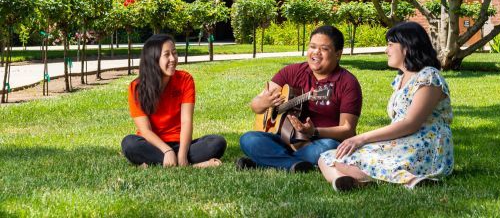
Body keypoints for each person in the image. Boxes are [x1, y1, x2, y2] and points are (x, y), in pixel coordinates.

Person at [319, 21, 454, 191]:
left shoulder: (429, 78)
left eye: (390, 45)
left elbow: (410, 123)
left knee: (347, 159)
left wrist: (361, 138)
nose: (386, 50)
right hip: (402, 141)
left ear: (407, 46)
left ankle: (410, 180)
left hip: (425, 147)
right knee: (328, 157)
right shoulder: (401, 79)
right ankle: (345, 181)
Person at [237, 25, 363, 173]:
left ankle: (270, 161)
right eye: (312, 46)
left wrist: (314, 131)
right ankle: (292, 163)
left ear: (338, 54)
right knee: (249, 139)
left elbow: (347, 130)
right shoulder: (292, 72)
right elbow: (256, 106)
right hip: (283, 139)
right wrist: (263, 103)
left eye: (324, 49)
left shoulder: (348, 83)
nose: (316, 52)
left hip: (317, 142)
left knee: (329, 147)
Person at [121, 34, 227, 168]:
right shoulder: (136, 87)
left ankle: (164, 162)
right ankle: (193, 165)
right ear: (153, 59)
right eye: (166, 55)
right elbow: (145, 130)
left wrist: (182, 154)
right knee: (129, 144)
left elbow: (186, 121)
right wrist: (167, 150)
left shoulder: (185, 79)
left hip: (181, 144)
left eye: (175, 53)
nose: (173, 59)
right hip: (153, 144)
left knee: (217, 142)